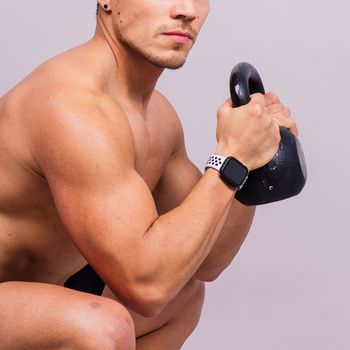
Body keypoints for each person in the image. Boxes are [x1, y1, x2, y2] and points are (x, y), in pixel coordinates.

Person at [0, 1, 298, 349]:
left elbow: (207, 260)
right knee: (100, 327)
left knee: (182, 298)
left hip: (38, 294)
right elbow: (146, 288)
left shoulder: (158, 116)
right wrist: (231, 156)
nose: (186, 10)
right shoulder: (72, 107)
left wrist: (253, 162)